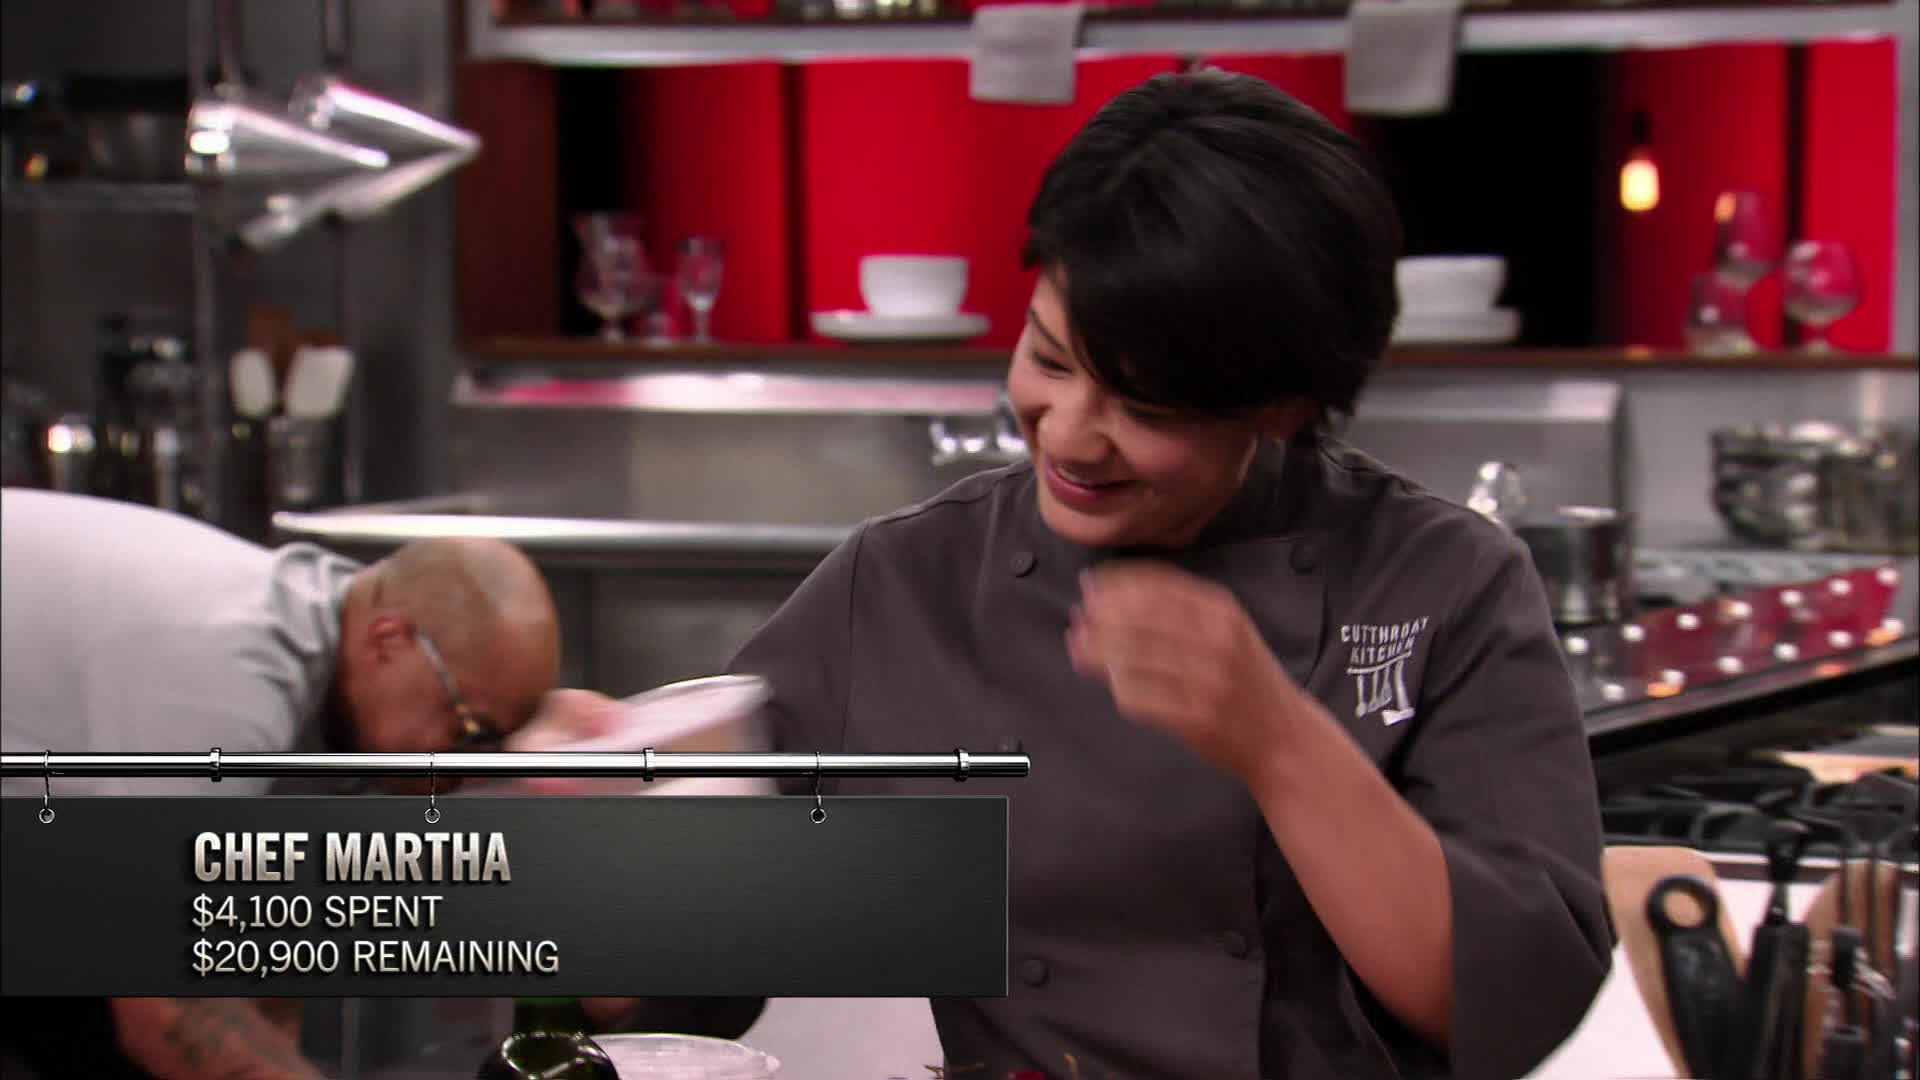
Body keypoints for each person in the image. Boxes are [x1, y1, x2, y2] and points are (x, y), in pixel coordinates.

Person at [583, 68, 1612, 1078]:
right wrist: (574, 833)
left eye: (1146, 408)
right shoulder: (910, 585)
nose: (1071, 436)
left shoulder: (1442, 583)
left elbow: (1524, 1012)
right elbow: (663, 976)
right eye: (1049, 359)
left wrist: (1275, 738)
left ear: (1283, 407)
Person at [0, 488, 564, 1080]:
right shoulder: (229, 686)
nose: (466, 769)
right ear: (389, 641)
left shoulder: (328, 650)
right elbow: (165, 1010)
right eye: (470, 729)